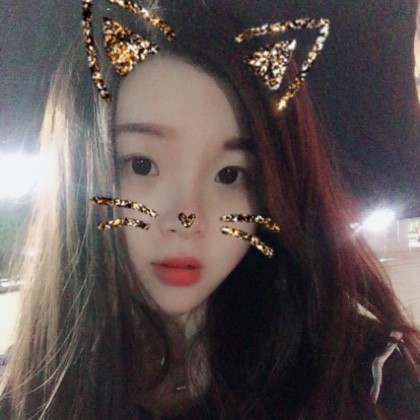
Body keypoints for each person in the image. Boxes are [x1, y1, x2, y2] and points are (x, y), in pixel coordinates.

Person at [1, 1, 419, 419]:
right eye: (142, 165)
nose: (188, 219)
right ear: (80, 169)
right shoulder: (26, 396)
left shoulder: (361, 379)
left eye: (230, 175)